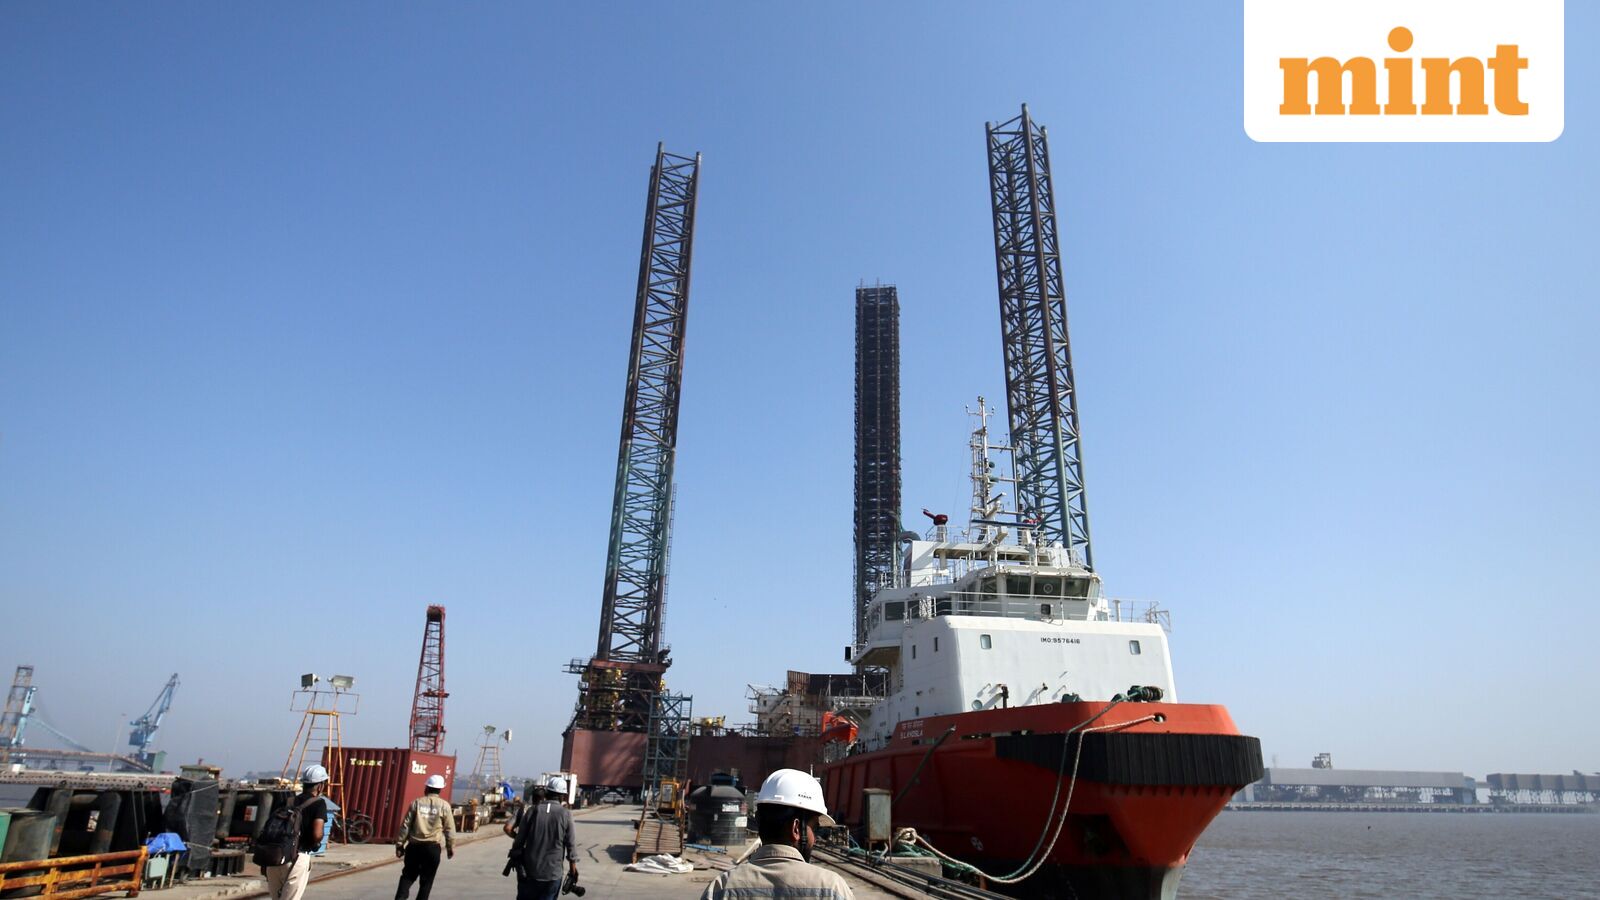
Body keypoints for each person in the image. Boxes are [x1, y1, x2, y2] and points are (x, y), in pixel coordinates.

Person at [699, 769, 854, 900]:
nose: (814, 838)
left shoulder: (721, 888)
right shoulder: (831, 889)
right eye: (814, 828)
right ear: (796, 829)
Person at [264, 764, 330, 900]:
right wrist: (316, 843)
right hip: (298, 858)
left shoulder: (288, 801)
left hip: (275, 857)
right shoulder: (319, 804)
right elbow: (317, 834)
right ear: (320, 786)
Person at [506, 775, 578, 900]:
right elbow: (571, 844)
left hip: (529, 871)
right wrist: (573, 870)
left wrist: (516, 858)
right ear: (562, 796)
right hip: (552, 874)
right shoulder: (565, 814)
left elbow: (519, 841)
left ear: (547, 793)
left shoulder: (532, 811)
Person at [394, 774, 455, 900]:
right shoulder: (445, 806)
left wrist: (400, 844)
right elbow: (450, 829)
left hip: (414, 847)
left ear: (427, 788)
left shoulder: (416, 803)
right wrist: (450, 847)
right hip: (432, 849)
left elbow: (405, 826)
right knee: (426, 881)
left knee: (408, 876)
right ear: (440, 789)